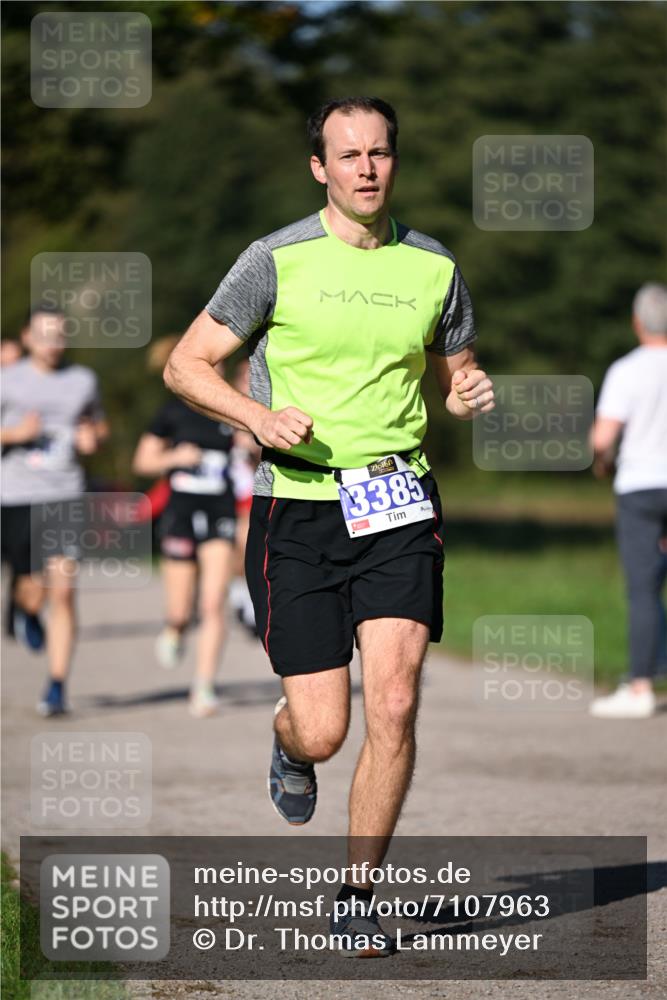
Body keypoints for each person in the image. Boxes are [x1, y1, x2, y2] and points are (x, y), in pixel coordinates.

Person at [164, 96, 495, 955]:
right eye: (347, 155)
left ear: (394, 160)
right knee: (324, 726)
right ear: (320, 167)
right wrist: (253, 416)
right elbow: (185, 364)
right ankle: (290, 745)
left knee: (392, 700)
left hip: (397, 506)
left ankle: (357, 893)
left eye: (379, 153)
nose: (365, 169)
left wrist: (465, 392)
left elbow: (458, 368)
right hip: (298, 513)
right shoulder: (273, 261)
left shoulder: (433, 267)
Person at [0, 307, 108, 715]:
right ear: (27, 337)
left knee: (63, 592)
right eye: (45, 334)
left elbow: (98, 426)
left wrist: (90, 438)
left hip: (64, 494)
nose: (53, 342)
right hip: (14, 496)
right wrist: (15, 434)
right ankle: (25, 610)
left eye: (60, 334)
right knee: (31, 587)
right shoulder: (7, 380)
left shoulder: (82, 380)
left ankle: (57, 684)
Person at [133, 336, 237, 718]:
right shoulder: (170, 413)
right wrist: (175, 456)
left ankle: (204, 686)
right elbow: (142, 462)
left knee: (213, 602)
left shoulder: (232, 412)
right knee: (181, 609)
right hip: (180, 508)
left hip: (219, 507)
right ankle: (175, 629)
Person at [590, 282, 667, 719]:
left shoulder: (627, 370)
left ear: (637, 323)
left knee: (643, 589)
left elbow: (603, 439)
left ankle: (640, 687)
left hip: (640, 488)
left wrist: (602, 461)